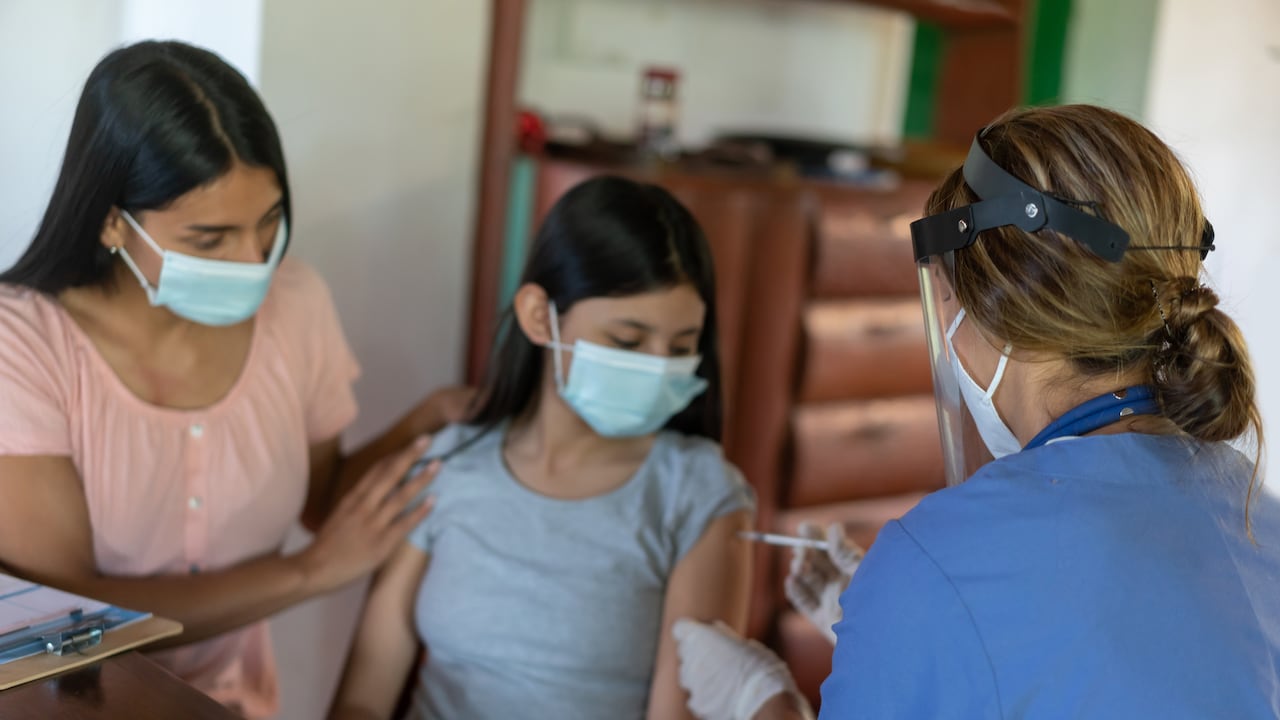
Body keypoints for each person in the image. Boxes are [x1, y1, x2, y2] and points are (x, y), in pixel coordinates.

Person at [672, 103, 1279, 719]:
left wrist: (764, 702)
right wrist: (930, 632)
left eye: (946, 299)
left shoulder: (939, 559)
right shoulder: (1265, 522)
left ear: (997, 314)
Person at [0, 40, 469, 718]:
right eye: (210, 240)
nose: (254, 262)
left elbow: (323, 500)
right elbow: (69, 626)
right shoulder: (22, 344)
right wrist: (309, 572)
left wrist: (426, 418)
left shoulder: (297, 301)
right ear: (111, 222)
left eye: (270, 222)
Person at [329, 176, 755, 720]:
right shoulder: (448, 465)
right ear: (539, 316)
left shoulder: (697, 495)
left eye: (680, 347)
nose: (654, 367)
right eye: (626, 342)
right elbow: (362, 700)